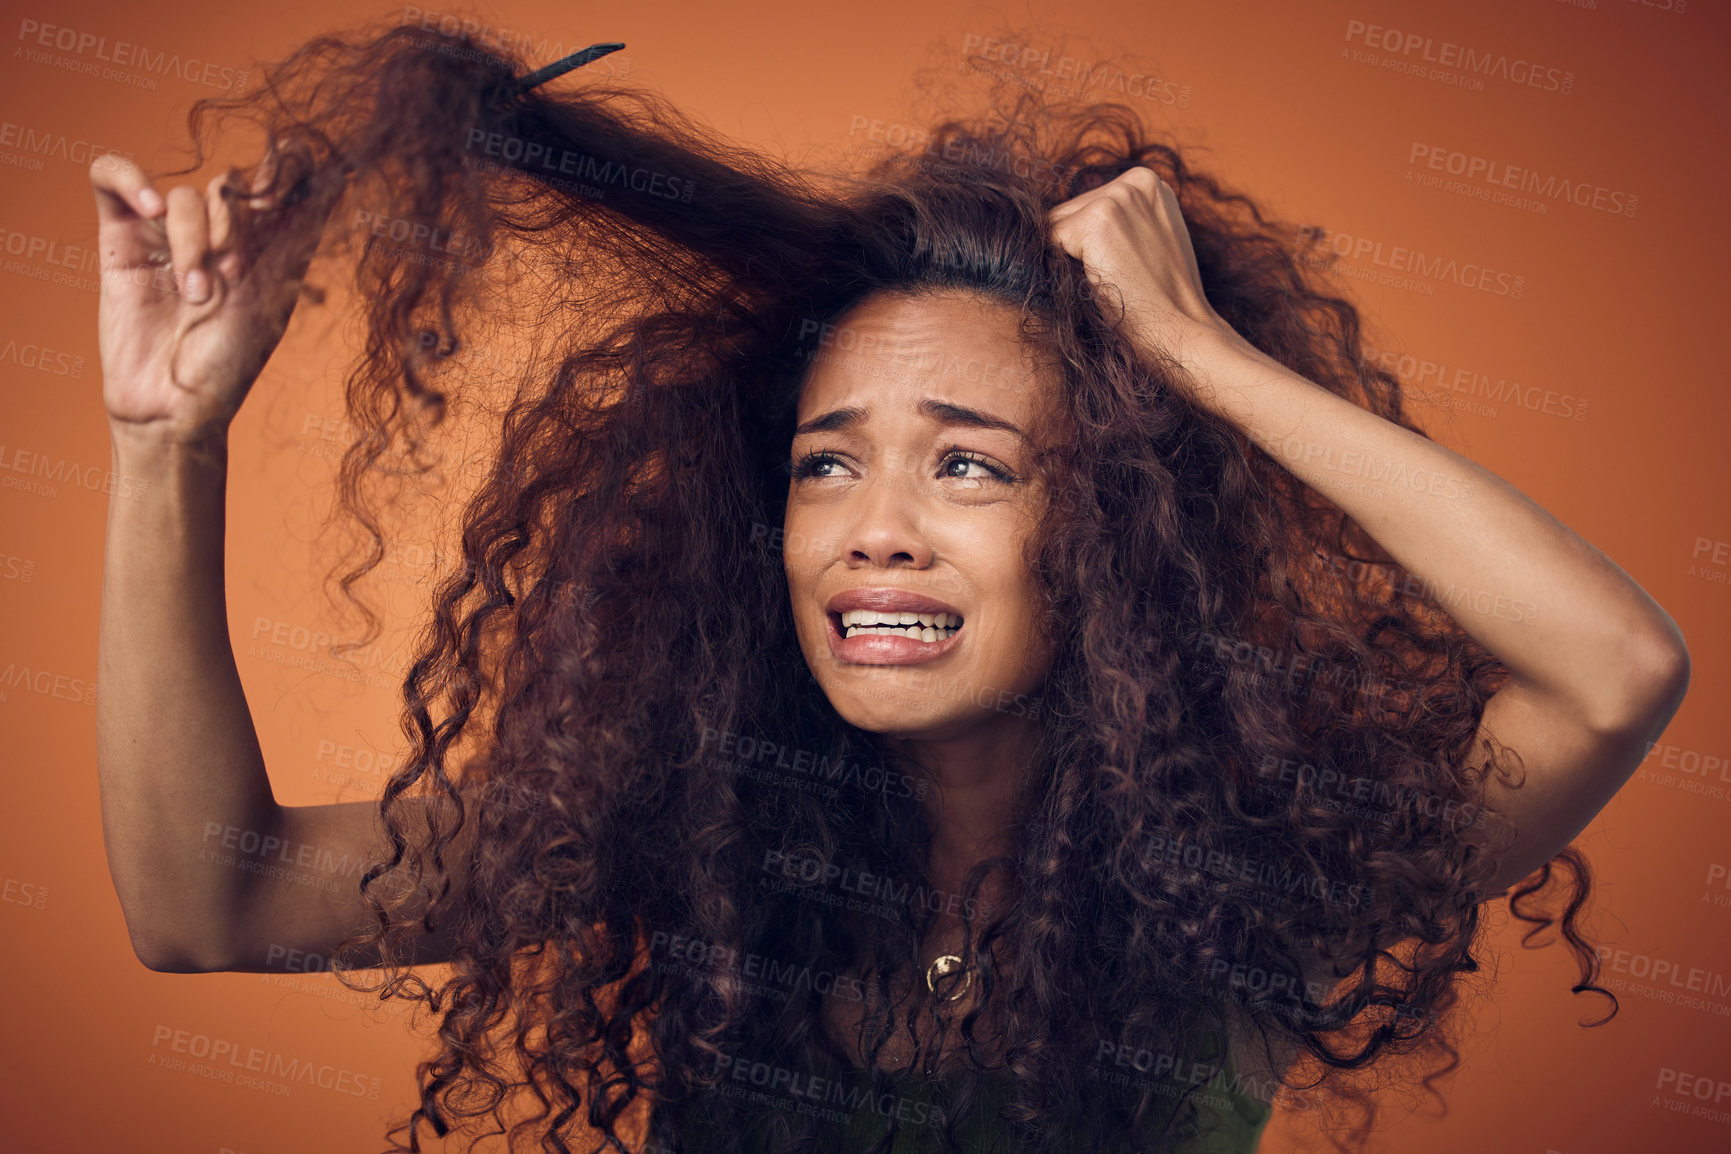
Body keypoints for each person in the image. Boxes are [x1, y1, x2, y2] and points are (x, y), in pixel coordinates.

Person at [90, 21, 1689, 1154]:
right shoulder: (697, 819)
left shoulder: (1252, 877)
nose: (877, 528)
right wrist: (168, 445)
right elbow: (205, 902)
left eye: (971, 465)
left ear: (1123, 532)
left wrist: (1194, 357)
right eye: (828, 463)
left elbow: (1612, 667)